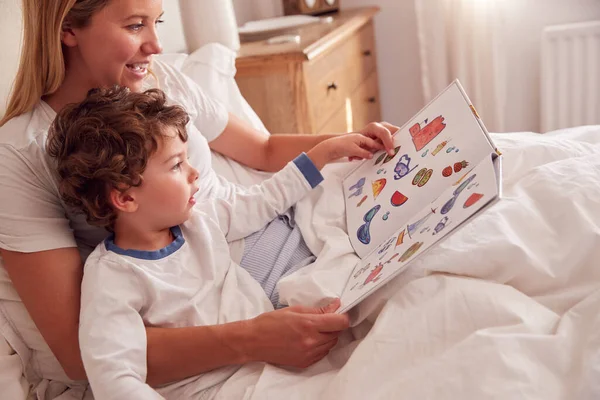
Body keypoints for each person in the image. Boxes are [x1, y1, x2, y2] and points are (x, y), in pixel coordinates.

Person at [0, 0, 398, 396]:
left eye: (158, 22)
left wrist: (351, 143)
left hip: (299, 236)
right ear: (69, 29)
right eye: (136, 25)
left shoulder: (161, 81)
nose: (156, 44)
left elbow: (262, 149)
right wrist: (253, 338)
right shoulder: (21, 155)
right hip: (255, 311)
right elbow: (83, 354)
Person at [47, 85, 384, 399]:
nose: (195, 174)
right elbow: (114, 375)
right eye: (177, 165)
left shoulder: (199, 222)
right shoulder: (113, 276)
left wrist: (323, 154)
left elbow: (264, 199)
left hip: (277, 365)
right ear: (124, 198)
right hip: (219, 390)